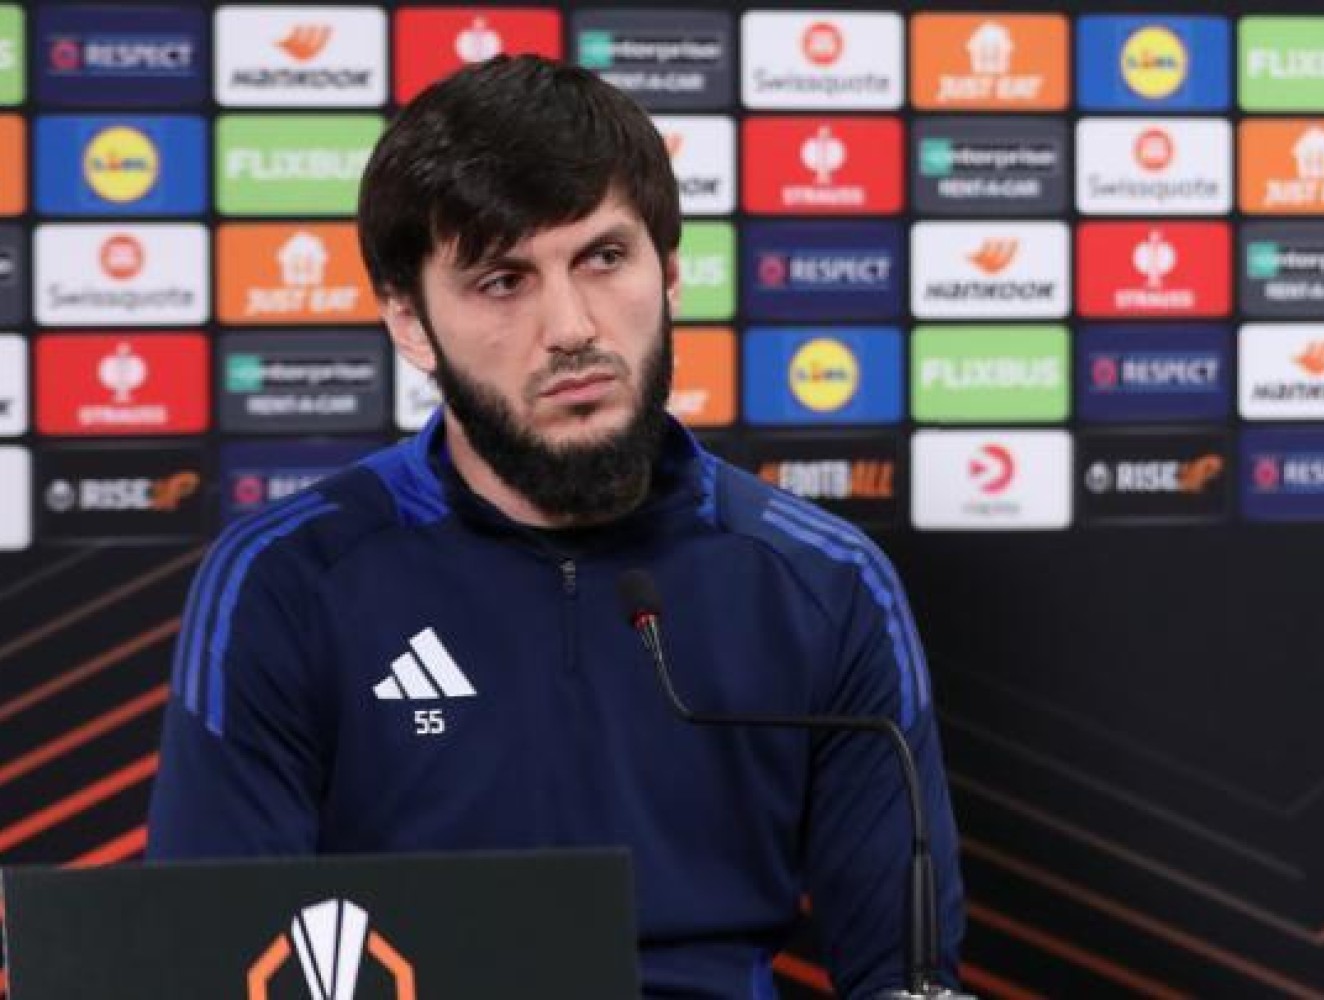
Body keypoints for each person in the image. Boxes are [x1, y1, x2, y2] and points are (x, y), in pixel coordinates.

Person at [147, 54, 965, 998]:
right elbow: (206, 963)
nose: (572, 327)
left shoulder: (824, 581)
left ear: (670, 274)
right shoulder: (287, 579)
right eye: (504, 281)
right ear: (410, 322)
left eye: (603, 258)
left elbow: (904, 975)